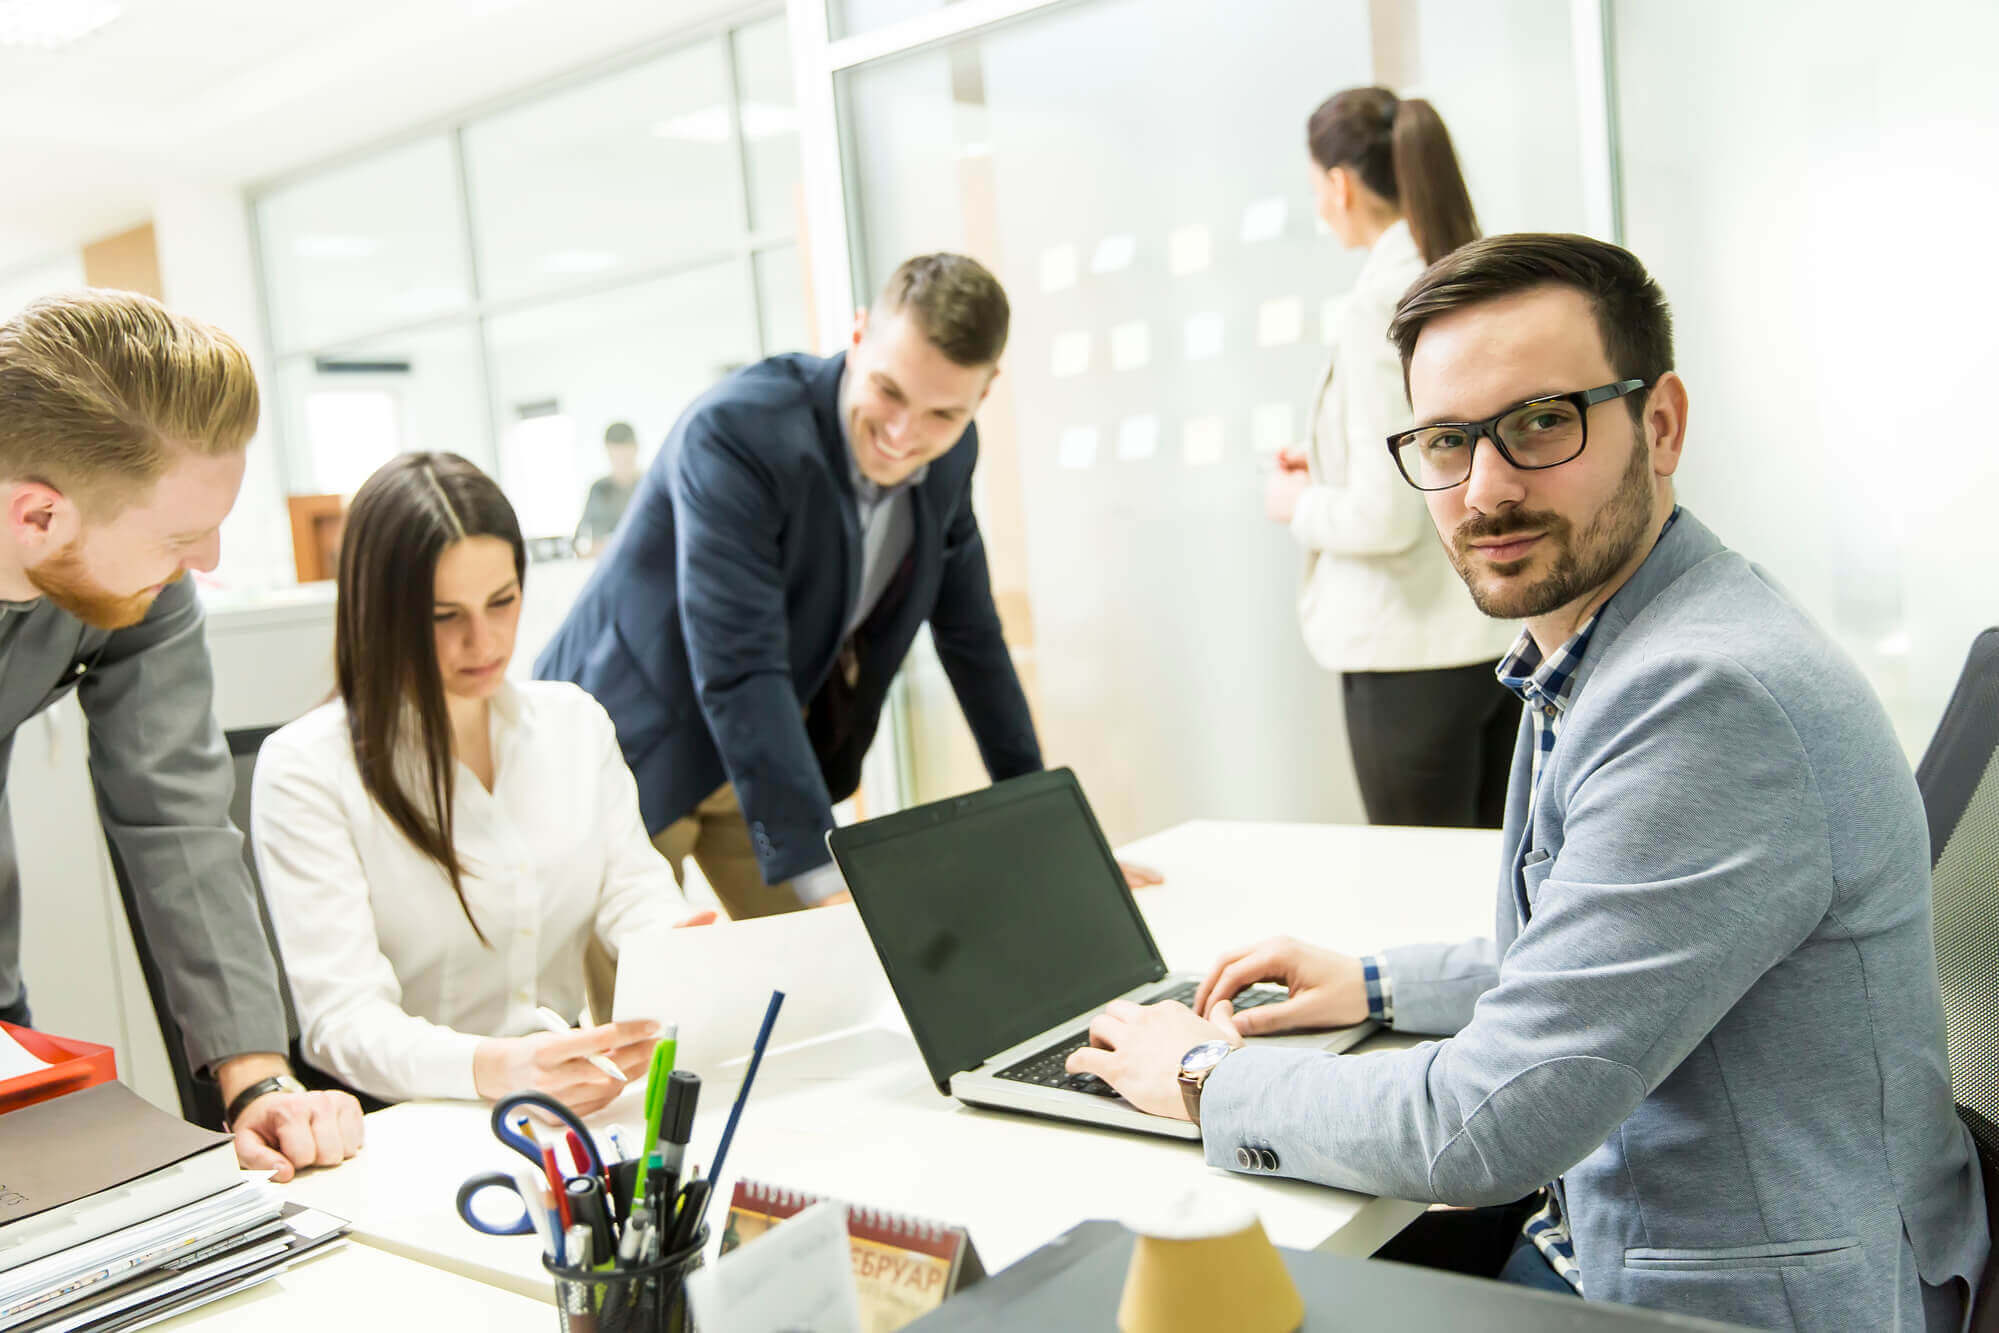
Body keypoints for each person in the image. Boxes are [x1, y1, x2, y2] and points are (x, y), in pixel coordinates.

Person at [1068, 235, 1988, 1329]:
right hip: (1622, 1240)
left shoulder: (1708, 698)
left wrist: (1202, 1076)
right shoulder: (1619, 639)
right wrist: (1369, 984)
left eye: (1542, 422)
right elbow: (1587, 953)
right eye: (1446, 440)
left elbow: (1486, 1125)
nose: (1485, 488)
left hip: (1748, 1300)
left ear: (1660, 424)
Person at [536, 253, 1157, 918]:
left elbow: (973, 640)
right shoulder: (738, 432)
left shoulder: (952, 455)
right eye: (889, 391)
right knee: (637, 983)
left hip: (758, 749)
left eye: (942, 413)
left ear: (985, 392)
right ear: (858, 335)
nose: (903, 435)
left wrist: (1049, 828)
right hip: (629, 738)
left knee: (823, 963)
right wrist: (824, 876)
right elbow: (740, 660)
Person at [0, 291, 362, 1179]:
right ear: (38, 516)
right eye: (184, 535)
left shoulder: (142, 588)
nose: (208, 562)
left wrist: (258, 1078)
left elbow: (177, 813)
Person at [252, 454, 714, 1109]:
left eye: (502, 602)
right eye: (444, 616)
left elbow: (634, 894)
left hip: (566, 1097)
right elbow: (342, 1020)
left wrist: (684, 951)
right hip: (404, 1117)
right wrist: (498, 1067)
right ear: (379, 614)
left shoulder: (574, 724)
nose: (484, 641)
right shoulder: (306, 769)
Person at [1266, 86, 1517, 828]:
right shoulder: (1469, 276)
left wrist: (1297, 503)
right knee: (1495, 871)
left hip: (1409, 657)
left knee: (1416, 879)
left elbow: (1387, 517)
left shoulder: (1380, 301)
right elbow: (1453, 454)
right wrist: (1328, 461)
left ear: (1339, 185)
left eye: (1315, 186)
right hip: (1492, 643)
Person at [574, 421, 641, 554]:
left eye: (625, 456)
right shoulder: (598, 490)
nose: (621, 462)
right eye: (616, 456)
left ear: (635, 449)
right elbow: (580, 542)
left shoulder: (650, 488)